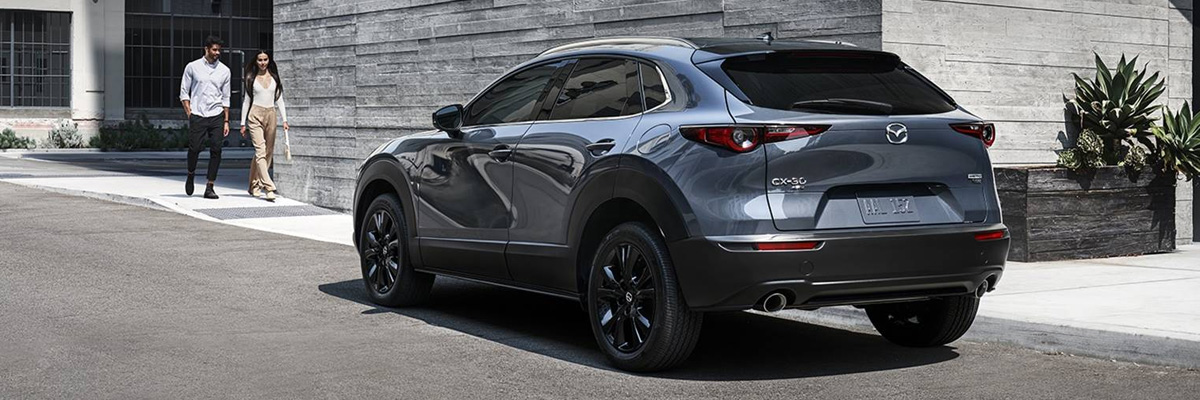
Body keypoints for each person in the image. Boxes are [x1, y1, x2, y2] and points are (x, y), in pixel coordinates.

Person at [179, 35, 231, 199]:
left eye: (219, 50)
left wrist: (226, 120)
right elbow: (184, 92)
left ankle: (210, 186)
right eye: (214, 50)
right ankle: (190, 174)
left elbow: (226, 97)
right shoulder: (192, 67)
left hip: (217, 115)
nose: (217, 53)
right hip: (198, 114)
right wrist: (190, 113)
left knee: (216, 149)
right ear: (206, 49)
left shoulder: (225, 70)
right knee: (194, 149)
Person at [239, 50, 289, 201]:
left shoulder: (274, 77)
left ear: (269, 60)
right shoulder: (251, 78)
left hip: (271, 114)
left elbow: (279, 99)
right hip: (255, 115)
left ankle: (254, 185)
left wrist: (285, 120)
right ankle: (268, 187)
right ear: (256, 61)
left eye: (265, 59)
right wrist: (242, 123)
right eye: (259, 60)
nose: (262, 63)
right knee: (260, 151)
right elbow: (246, 101)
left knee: (267, 152)